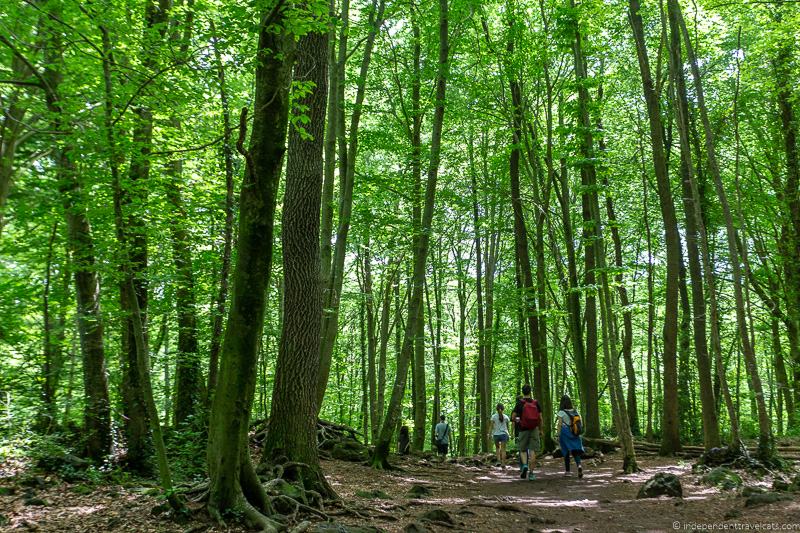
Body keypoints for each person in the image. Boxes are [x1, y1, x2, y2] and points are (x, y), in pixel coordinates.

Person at [511, 384, 542, 481]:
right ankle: (531, 474)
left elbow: (513, 417)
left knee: (523, 450)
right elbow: (540, 418)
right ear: (530, 391)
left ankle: (524, 465)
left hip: (523, 429)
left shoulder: (519, 403)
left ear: (522, 392)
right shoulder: (535, 403)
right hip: (534, 429)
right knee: (532, 451)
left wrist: (518, 421)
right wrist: (541, 429)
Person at [557, 394, 585, 478]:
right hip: (575, 432)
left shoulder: (561, 412)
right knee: (575, 451)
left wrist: (558, 435)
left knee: (566, 451)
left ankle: (568, 471)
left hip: (565, 432)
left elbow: (559, 424)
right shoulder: (575, 411)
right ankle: (579, 465)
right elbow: (580, 423)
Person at [490, 403, 510, 468]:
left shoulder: (493, 417)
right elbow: (507, 427)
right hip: (504, 434)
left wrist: (489, 434)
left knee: (497, 448)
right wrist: (509, 434)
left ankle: (498, 461)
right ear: (503, 409)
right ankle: (503, 463)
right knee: (503, 449)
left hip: (496, 434)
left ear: (497, 409)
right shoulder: (506, 417)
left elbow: (491, 426)